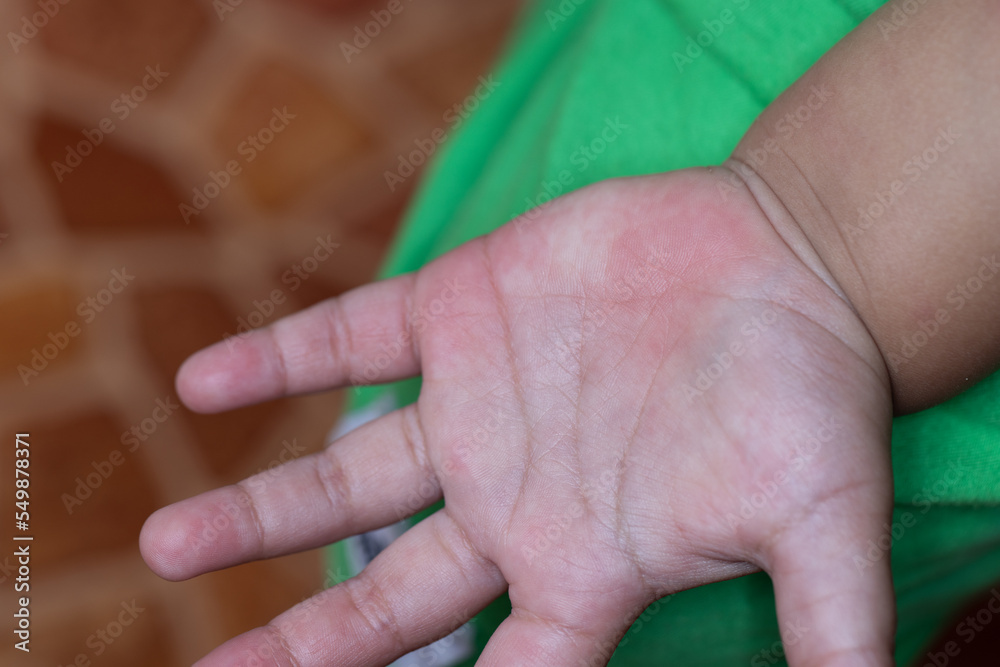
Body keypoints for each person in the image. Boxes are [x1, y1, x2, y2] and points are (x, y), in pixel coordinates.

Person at [139, 0, 1000, 665]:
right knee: (456, 493)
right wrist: (814, 236)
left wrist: (819, 251)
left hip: (862, 293)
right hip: (759, 132)